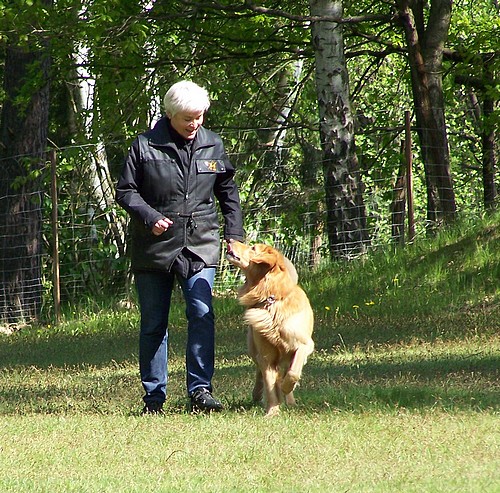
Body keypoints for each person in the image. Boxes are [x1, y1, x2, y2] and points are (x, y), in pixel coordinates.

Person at [116, 80, 244, 414]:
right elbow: (126, 191)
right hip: (155, 245)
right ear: (170, 114)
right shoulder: (144, 146)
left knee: (202, 314)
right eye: (188, 118)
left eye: (200, 117)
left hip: (200, 243)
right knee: (154, 323)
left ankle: (200, 391)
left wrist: (235, 234)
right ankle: (153, 399)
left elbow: (227, 192)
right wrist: (149, 216)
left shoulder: (213, 145)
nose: (195, 124)